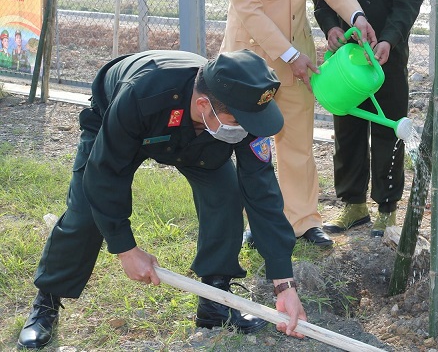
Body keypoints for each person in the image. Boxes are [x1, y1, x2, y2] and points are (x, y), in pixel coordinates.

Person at [17, 50, 307, 349]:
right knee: (86, 212)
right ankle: (47, 302)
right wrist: (125, 249)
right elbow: (104, 175)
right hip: (124, 120)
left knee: (226, 195)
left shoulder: (241, 113)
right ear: (204, 104)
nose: (247, 129)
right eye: (240, 121)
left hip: (202, 136)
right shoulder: (142, 94)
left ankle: (214, 301)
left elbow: (262, 191)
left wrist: (284, 283)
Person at [219, 0, 377, 248]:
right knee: (253, 145)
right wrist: (289, 55)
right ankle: (259, 224)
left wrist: (356, 15)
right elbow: (249, 11)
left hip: (298, 59)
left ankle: (304, 220)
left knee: (297, 141)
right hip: (251, 60)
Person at [311, 0, 428, 237]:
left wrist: (388, 41)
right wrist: (330, 25)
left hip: (386, 56)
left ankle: (387, 209)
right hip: (347, 55)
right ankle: (353, 206)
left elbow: (408, 4)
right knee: (347, 125)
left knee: (390, 127)